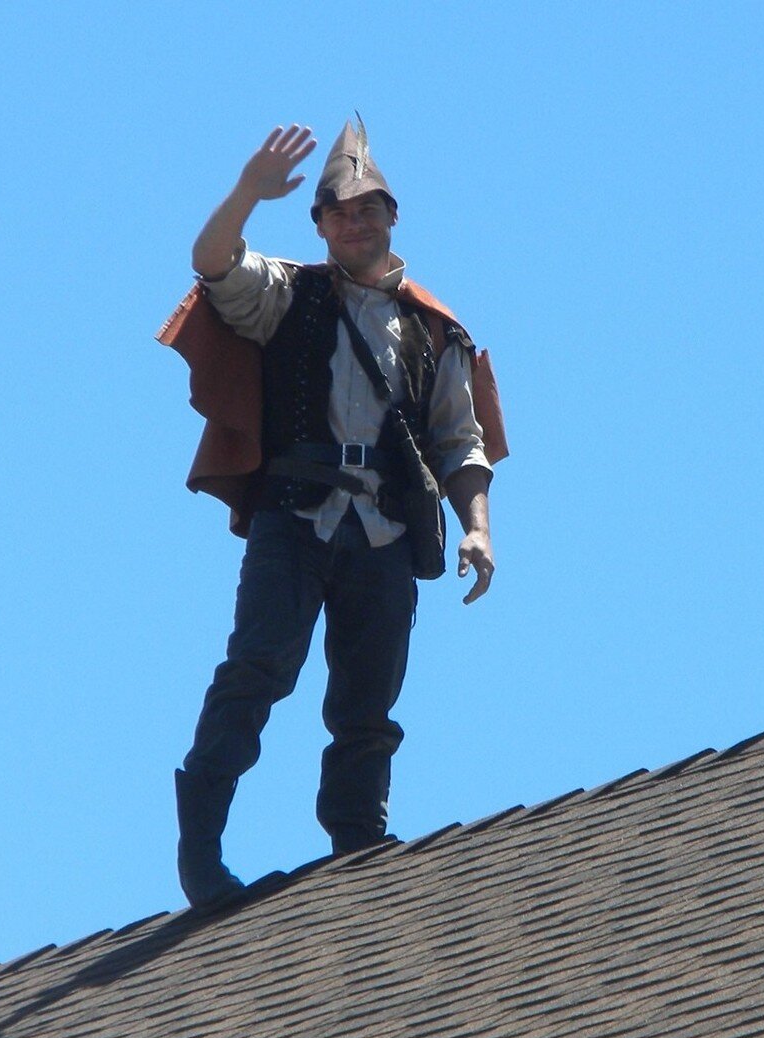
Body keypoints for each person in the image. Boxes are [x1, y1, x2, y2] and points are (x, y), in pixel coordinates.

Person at [159, 119, 507, 909]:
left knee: (368, 698)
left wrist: (479, 525)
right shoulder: (288, 294)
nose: (356, 223)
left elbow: (462, 440)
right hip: (296, 516)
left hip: (384, 529)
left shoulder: (434, 327)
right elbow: (212, 263)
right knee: (258, 669)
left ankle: (360, 841)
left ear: (392, 219)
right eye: (339, 212)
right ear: (319, 224)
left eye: (369, 210)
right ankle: (202, 849)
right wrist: (249, 190)